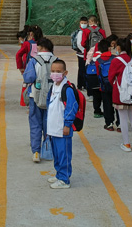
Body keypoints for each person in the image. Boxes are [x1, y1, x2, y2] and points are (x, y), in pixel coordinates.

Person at [46, 58, 78, 189]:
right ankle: (59, 174)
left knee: (64, 154)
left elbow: (71, 107)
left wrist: (67, 124)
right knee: (57, 154)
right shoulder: (54, 86)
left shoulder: (67, 89)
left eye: (58, 71)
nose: (55, 74)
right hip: (53, 127)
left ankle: (64, 179)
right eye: (53, 71)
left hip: (62, 128)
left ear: (65, 73)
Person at [22, 38, 57, 162]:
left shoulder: (33, 61)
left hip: (35, 97)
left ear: (41, 48)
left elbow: (28, 77)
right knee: (50, 124)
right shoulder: (56, 61)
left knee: (35, 123)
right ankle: (49, 149)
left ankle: (36, 151)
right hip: (53, 97)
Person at [109, 37, 132, 153]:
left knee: (122, 119)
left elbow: (110, 77)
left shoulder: (116, 60)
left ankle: (126, 143)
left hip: (120, 94)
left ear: (118, 47)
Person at [96, 39, 118, 131]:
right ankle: (120, 124)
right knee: (117, 104)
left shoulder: (98, 60)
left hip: (104, 86)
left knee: (107, 104)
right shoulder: (115, 58)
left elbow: (98, 75)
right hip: (115, 86)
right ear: (109, 48)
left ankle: (109, 124)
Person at [73, 16, 89, 88]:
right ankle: (80, 85)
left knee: (84, 69)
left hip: (84, 54)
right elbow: (79, 44)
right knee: (82, 69)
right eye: (82, 23)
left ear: (87, 23)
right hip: (81, 54)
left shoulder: (87, 31)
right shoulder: (80, 32)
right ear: (80, 23)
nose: (83, 24)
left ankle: (83, 84)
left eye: (85, 23)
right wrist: (84, 51)